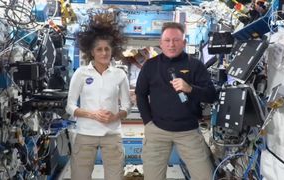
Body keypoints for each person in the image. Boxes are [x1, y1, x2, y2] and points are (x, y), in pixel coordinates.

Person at [135, 22, 217, 180]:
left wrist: (190, 89)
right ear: (161, 43)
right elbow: (141, 94)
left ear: (184, 42)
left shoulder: (195, 66)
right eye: (167, 40)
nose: (171, 44)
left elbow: (211, 95)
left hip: (188, 132)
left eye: (176, 40)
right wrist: (148, 122)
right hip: (157, 131)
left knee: (205, 176)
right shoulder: (150, 66)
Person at [66, 12, 130, 180]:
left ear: (112, 50)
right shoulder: (80, 73)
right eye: (99, 49)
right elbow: (70, 106)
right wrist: (92, 114)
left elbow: (127, 106)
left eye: (107, 49)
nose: (104, 53)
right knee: (80, 176)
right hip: (85, 134)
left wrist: (116, 116)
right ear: (92, 52)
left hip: (112, 134)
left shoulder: (120, 74)